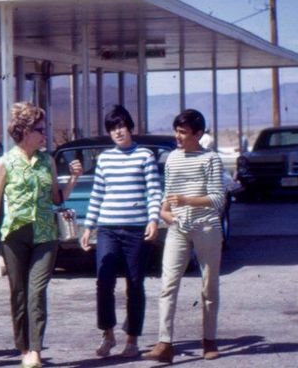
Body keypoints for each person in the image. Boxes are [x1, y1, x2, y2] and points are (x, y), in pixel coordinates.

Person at [0, 101, 82, 368]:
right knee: (19, 293)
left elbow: (57, 199)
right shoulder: (4, 163)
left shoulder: (47, 161)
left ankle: (35, 350)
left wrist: (73, 179)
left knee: (36, 291)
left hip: (45, 235)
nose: (44, 135)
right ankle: (24, 347)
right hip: (14, 236)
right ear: (25, 131)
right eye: (39, 130)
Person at [78, 105, 162, 358]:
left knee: (134, 283)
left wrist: (153, 220)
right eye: (113, 128)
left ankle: (132, 339)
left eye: (121, 126)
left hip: (136, 231)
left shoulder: (145, 156)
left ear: (130, 128)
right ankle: (108, 334)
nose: (118, 132)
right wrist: (88, 227)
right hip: (108, 229)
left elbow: (154, 191)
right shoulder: (104, 159)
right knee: (104, 281)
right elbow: (97, 194)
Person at [144, 109, 226, 364]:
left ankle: (209, 340)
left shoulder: (211, 159)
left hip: (206, 228)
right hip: (178, 229)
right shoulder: (172, 158)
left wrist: (187, 200)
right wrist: (164, 212)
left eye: (183, 132)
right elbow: (168, 194)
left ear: (198, 134)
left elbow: (218, 199)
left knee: (209, 285)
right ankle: (164, 343)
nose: (177, 137)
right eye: (176, 131)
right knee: (167, 284)